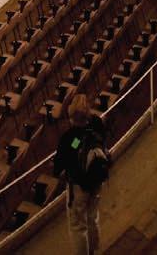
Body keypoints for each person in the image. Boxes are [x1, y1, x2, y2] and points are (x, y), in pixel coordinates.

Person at [54, 94, 109, 255]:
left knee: (78, 225)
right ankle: (93, 250)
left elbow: (61, 164)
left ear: (72, 117)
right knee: (92, 216)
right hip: (97, 179)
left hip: (79, 186)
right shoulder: (97, 123)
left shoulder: (71, 137)